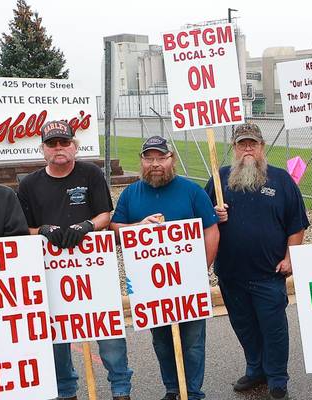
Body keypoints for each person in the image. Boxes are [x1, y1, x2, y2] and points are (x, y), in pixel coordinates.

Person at [16, 121, 132, 400]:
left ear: (74, 146)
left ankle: (121, 389)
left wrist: (87, 226)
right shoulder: (29, 184)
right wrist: (43, 230)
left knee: (108, 332)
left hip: (93, 267)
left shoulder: (90, 173)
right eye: (52, 144)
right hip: (51, 271)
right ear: (43, 149)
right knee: (56, 337)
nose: (59, 148)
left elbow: (105, 214)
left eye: (64, 142)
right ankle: (66, 391)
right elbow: (22, 228)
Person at [110, 136, 220, 400]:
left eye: (161, 157)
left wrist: (202, 268)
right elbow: (115, 229)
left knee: (192, 342)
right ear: (142, 161)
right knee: (161, 341)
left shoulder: (192, 191)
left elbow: (211, 230)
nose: (155, 163)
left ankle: (192, 392)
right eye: (149, 158)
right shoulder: (131, 194)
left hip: (188, 282)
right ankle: (172, 388)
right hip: (150, 286)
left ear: (172, 159)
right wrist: (138, 227)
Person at [206, 123, 309, 400]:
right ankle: (256, 370)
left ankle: (277, 378)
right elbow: (203, 223)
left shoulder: (281, 180)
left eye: (253, 143)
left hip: (269, 274)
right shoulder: (219, 179)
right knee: (245, 327)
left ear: (262, 147)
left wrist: (290, 258)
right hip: (231, 274)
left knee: (273, 329)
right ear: (234, 148)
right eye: (242, 144)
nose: (248, 148)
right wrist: (215, 214)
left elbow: (297, 224)